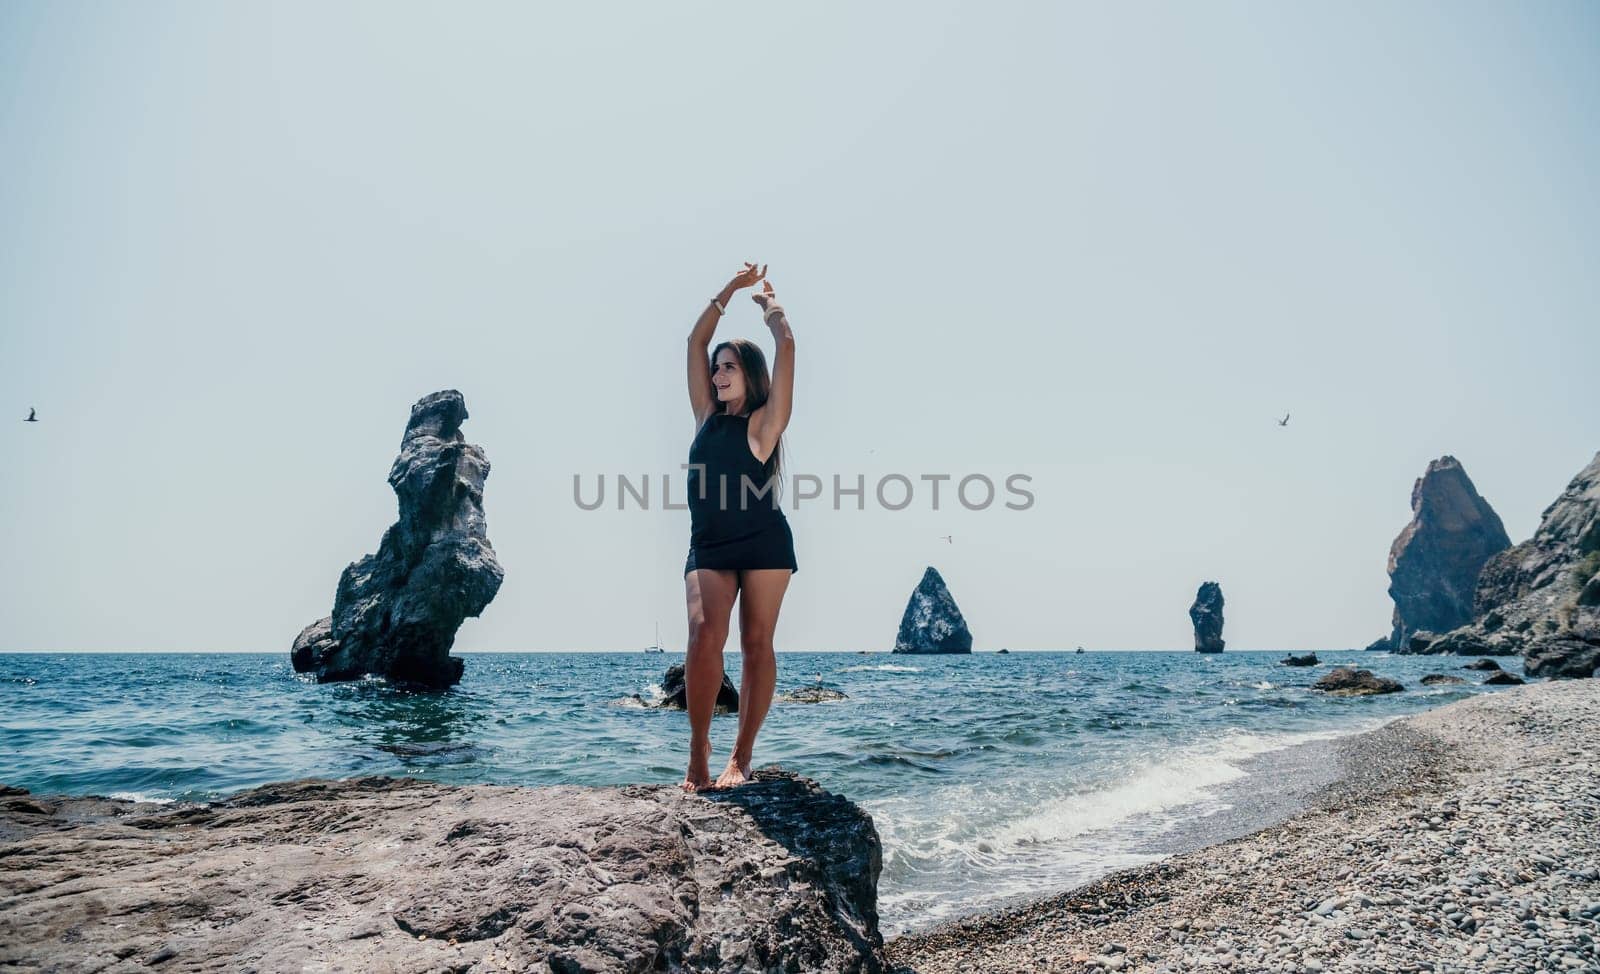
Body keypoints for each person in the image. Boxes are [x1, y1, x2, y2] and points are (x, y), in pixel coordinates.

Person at [680, 261, 798, 792]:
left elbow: (788, 348)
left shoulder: (763, 424)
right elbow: (693, 340)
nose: (719, 374)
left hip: (764, 544)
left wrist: (771, 309)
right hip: (709, 545)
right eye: (717, 367)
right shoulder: (706, 415)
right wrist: (729, 289)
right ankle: (697, 753)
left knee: (757, 643)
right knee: (706, 634)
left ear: (748, 374)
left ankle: (741, 757)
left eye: (729, 367)